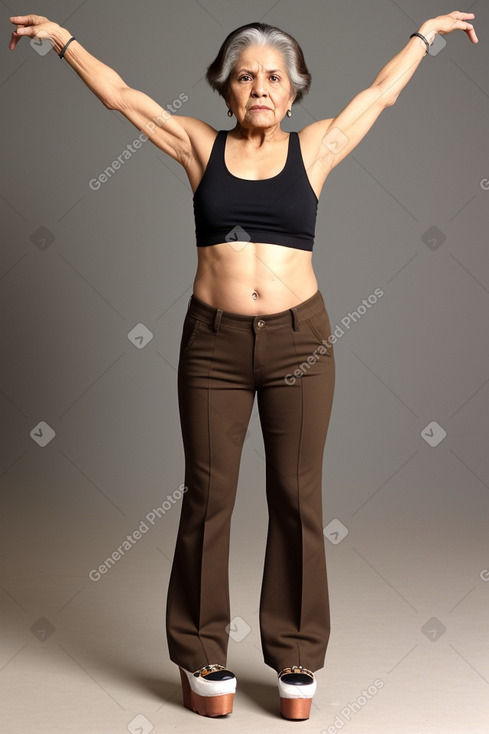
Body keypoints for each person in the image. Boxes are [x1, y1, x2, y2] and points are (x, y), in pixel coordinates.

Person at [9, 10, 478, 721]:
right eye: (244, 76)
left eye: (273, 77)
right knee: (207, 496)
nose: (259, 87)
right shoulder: (199, 146)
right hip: (213, 346)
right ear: (224, 91)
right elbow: (123, 97)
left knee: (297, 498)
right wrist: (62, 40)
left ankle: (294, 654)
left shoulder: (314, 149)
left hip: (300, 342)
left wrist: (424, 34)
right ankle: (201, 653)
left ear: (293, 92)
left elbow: (379, 95)